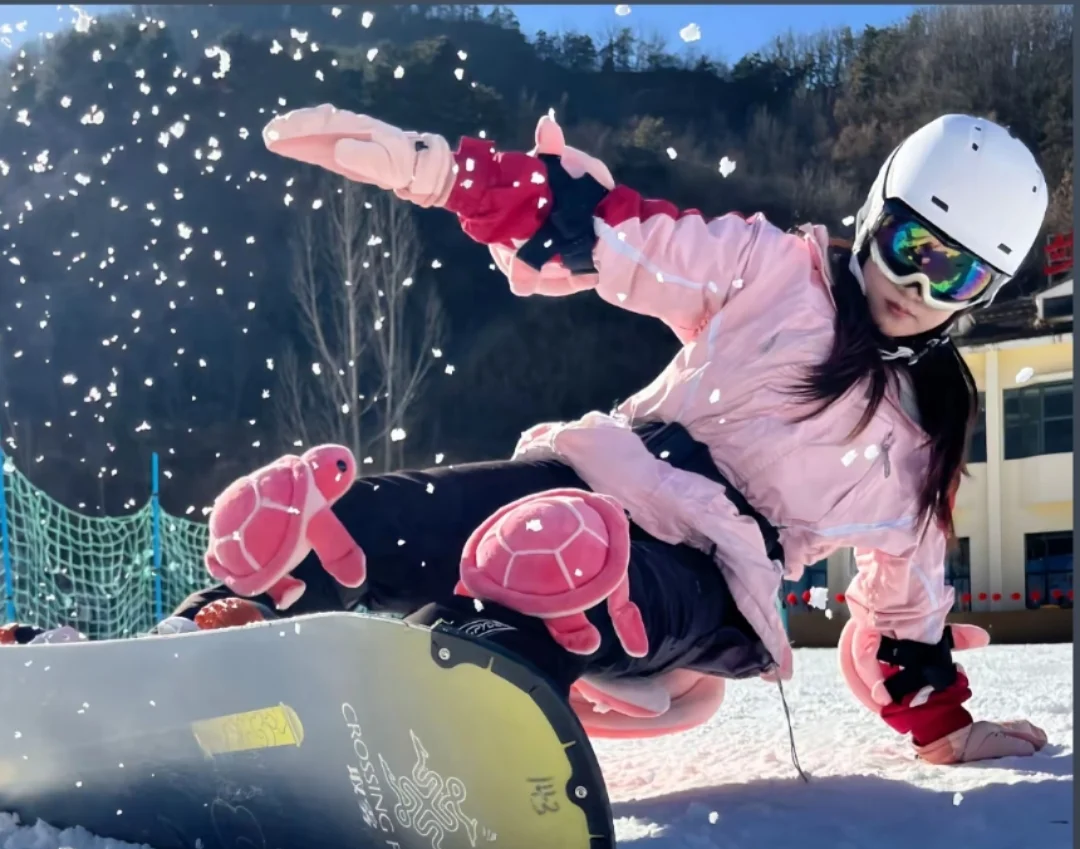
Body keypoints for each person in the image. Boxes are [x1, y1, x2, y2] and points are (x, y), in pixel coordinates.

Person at [3, 109, 1050, 767]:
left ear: (983, 292)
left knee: (585, 579)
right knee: (377, 523)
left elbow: (904, 609)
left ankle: (462, 718)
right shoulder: (774, 270)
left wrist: (944, 725)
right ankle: (155, 652)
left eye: (953, 274)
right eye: (912, 245)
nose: (915, 287)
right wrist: (444, 174)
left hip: (714, 578)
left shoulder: (921, 443)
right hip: (601, 475)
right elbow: (627, 237)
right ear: (878, 213)